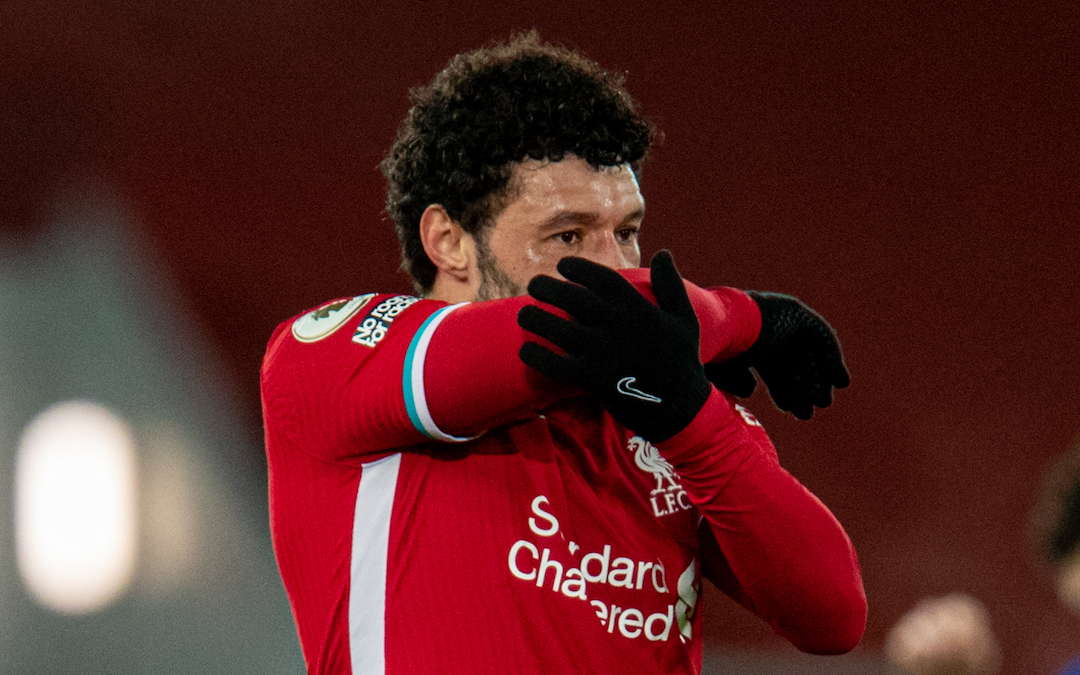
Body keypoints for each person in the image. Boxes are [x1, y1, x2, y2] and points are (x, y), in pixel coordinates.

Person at [260, 31, 866, 674]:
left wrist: (696, 423)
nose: (614, 264)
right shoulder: (336, 364)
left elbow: (832, 615)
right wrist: (749, 315)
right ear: (449, 241)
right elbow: (595, 317)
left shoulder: (658, 405)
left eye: (627, 232)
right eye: (568, 233)